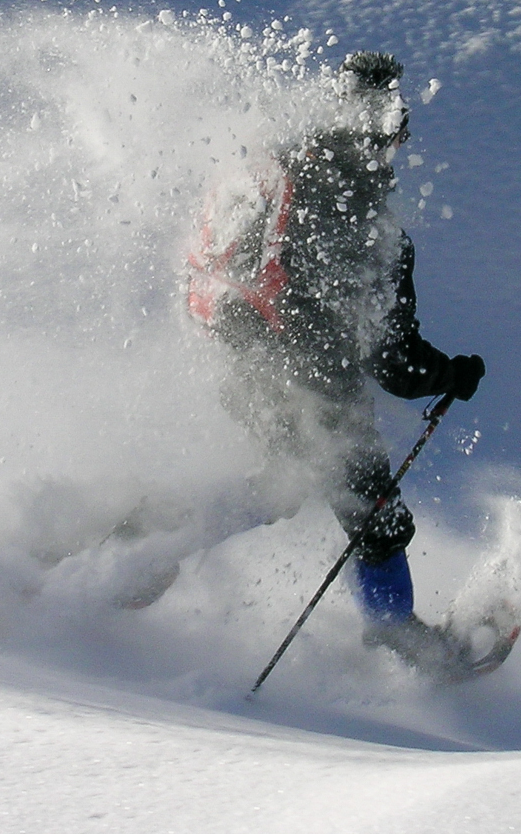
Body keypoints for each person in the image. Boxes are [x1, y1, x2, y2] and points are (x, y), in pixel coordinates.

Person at [187, 50, 486, 673]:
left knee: (275, 488)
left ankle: (119, 557)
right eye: (397, 126)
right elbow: (394, 362)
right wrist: (451, 376)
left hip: (242, 352)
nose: (400, 141)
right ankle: (399, 641)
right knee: (374, 514)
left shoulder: (281, 161)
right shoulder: (368, 216)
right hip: (310, 378)